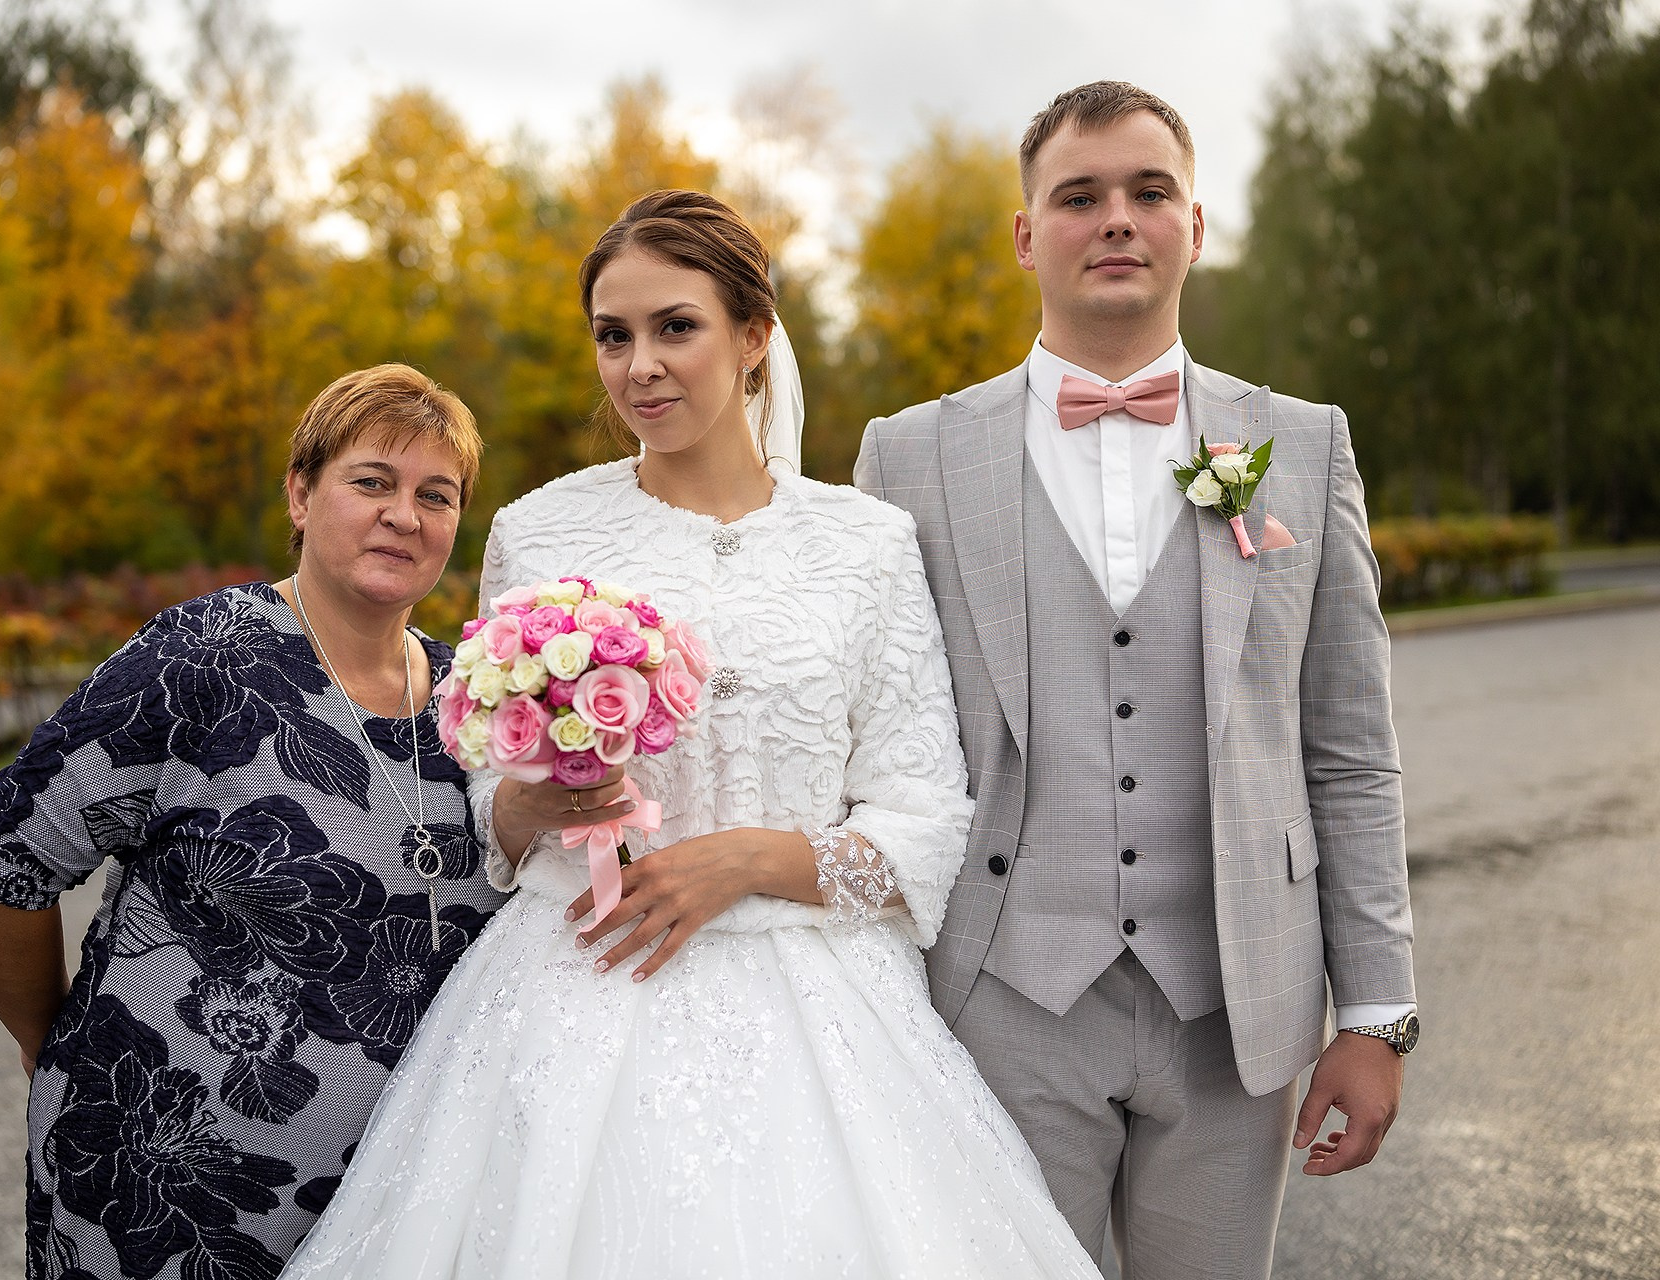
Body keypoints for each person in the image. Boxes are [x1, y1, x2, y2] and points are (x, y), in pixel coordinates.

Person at [279, 190, 1101, 1278]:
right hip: (581, 979)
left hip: (820, 1009)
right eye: (613, 335)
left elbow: (925, 814)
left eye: (676, 327)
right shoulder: (539, 530)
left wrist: (753, 860)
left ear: (754, 336)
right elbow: (485, 796)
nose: (640, 367)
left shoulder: (868, 543)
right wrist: (538, 803)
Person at [855, 81, 1418, 1279]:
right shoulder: (907, 456)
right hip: (995, 1001)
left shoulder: (1302, 444)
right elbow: (871, 739)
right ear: (1026, 236)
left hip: (1238, 1007)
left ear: (1194, 226)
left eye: (1149, 190)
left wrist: (1378, 1011)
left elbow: (1351, 752)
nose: (1116, 216)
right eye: (1080, 196)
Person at [0, 364, 509, 1280]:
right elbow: (1, 866)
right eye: (372, 481)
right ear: (300, 494)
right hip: (159, 1188)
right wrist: (48, 1039)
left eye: (435, 496)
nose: (403, 516)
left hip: (396, 1209)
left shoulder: (477, 699)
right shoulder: (202, 658)